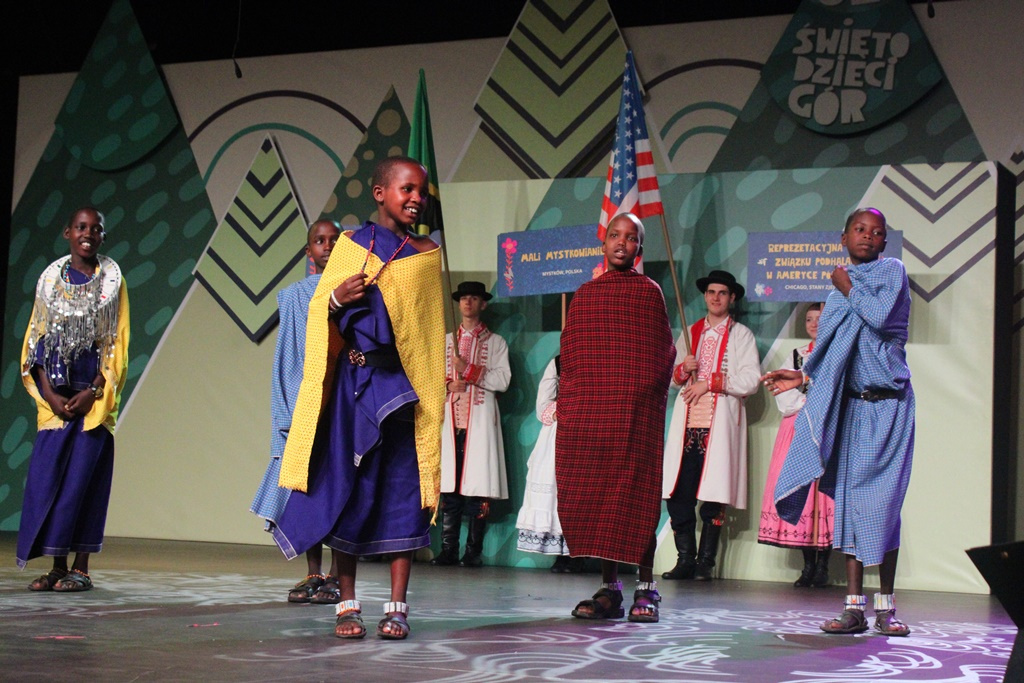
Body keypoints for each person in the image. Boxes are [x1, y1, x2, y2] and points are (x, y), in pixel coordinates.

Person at [272, 157, 445, 641]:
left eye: (422, 191)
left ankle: (397, 606)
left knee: (403, 493)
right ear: (380, 193)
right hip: (353, 390)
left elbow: (428, 334)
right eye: (407, 189)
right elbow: (317, 315)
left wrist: (429, 393)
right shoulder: (351, 246)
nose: (416, 198)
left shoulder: (427, 254)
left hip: (403, 395)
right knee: (350, 489)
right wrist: (334, 300)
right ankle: (347, 604)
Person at [762, 207, 914, 637]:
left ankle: (886, 607)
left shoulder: (891, 273)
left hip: (889, 407)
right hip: (852, 408)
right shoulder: (835, 298)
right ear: (843, 238)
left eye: (876, 232)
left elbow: (880, 317)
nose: (867, 236)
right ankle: (853, 609)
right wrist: (802, 376)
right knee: (848, 506)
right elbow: (829, 355)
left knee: (884, 508)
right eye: (859, 230)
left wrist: (846, 285)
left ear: (885, 242)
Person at [555, 212, 675, 623]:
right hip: (595, 413)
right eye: (615, 235)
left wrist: (635, 393)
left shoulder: (649, 293)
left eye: (631, 237)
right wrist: (574, 401)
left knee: (636, 495)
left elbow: (661, 352)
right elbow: (573, 354)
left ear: (640, 247)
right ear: (603, 243)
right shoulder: (586, 294)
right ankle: (610, 589)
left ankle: (646, 586)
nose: (622, 243)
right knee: (602, 496)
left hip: (634, 413)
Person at [17, 207, 130, 592]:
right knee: (51, 482)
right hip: (56, 394)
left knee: (84, 482)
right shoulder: (50, 280)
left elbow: (117, 341)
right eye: (81, 227)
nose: (88, 233)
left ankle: (81, 568)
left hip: (91, 398)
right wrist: (49, 394)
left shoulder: (113, 281)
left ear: (103, 236)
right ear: (68, 232)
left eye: (96, 228)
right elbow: (36, 338)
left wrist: (94, 391)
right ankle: (57, 566)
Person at [250, 220, 345, 604]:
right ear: (309, 251)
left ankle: (339, 576)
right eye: (319, 241)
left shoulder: (355, 289)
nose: (327, 246)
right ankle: (314, 572)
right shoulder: (294, 296)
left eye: (334, 240)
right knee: (306, 491)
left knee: (340, 492)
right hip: (307, 402)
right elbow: (287, 357)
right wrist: (288, 409)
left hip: (341, 403)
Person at [661, 270, 760, 581]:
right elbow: (671, 378)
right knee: (679, 495)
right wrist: (683, 369)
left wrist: (710, 383)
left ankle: (706, 562)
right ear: (705, 296)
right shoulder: (691, 332)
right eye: (711, 292)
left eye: (722, 293)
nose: (716, 298)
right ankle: (685, 559)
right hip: (689, 425)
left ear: (732, 298)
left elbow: (750, 380)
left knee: (714, 496)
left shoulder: (741, 335)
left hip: (719, 427)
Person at [757, 303, 834, 587]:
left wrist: (815, 400)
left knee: (822, 494)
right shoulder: (796, 355)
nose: (814, 324)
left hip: (826, 428)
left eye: (819, 319)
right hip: (797, 429)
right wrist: (810, 400)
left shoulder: (834, 354)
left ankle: (823, 565)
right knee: (801, 489)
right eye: (809, 319)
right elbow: (784, 399)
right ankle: (808, 565)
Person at [434, 281, 510, 567]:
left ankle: (473, 553)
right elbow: (430, 379)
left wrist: (468, 370)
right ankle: (448, 550)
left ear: (483, 304)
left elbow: (502, 380)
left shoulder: (496, 343)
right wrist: (448, 385)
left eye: (474, 298)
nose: (467, 302)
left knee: (478, 490)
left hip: (479, 425)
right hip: (450, 423)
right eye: (463, 298)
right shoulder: (446, 341)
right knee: (450, 490)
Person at [514, 356, 583, 572]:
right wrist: (564, 409)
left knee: (580, 491)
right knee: (555, 492)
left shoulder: (600, 362)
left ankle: (578, 552)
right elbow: (542, 405)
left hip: (586, 430)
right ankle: (561, 554)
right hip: (558, 431)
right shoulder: (559, 362)